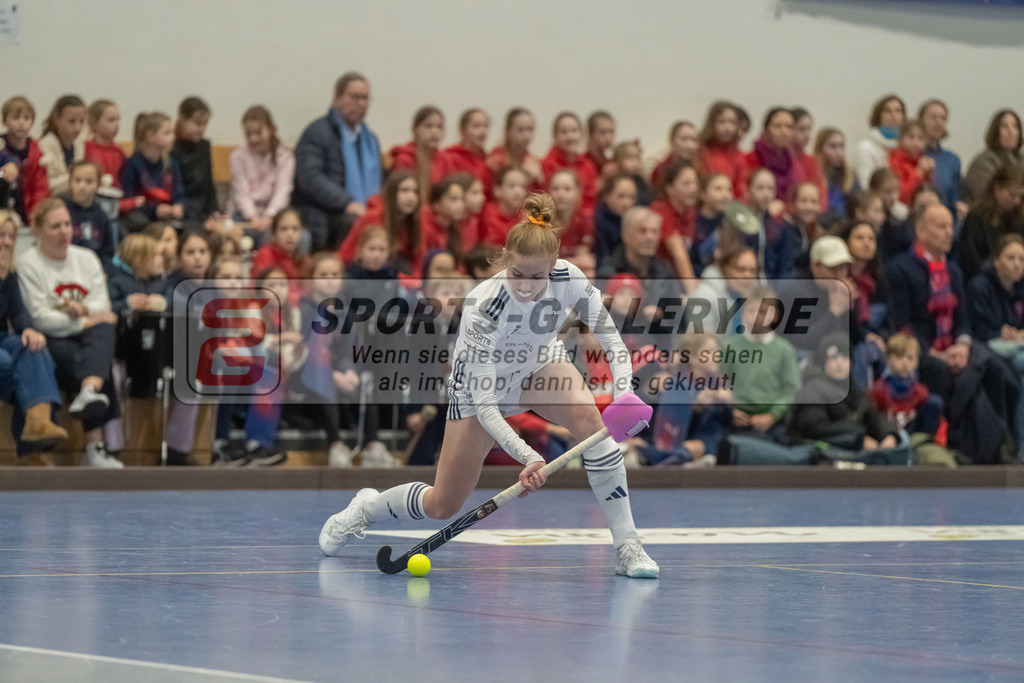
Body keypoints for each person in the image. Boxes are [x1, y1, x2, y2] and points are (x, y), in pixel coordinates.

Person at [318, 193, 660, 579]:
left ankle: (629, 545)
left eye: (538, 277)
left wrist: (624, 392)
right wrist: (528, 455)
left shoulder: (569, 277)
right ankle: (365, 508)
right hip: (481, 391)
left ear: (554, 266)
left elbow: (610, 338)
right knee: (442, 503)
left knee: (594, 428)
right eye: (519, 276)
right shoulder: (484, 307)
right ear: (504, 261)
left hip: (539, 364)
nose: (528, 287)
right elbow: (485, 404)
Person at [886, 204, 1018, 464]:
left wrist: (963, 345)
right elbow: (902, 324)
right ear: (921, 231)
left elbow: (964, 321)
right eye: (941, 227)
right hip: (920, 349)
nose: (949, 233)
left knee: (995, 368)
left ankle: (1000, 444)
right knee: (942, 372)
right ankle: (960, 445)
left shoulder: (954, 271)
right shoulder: (899, 269)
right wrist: (935, 352)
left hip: (954, 346)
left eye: (950, 226)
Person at [17, 198, 122, 468]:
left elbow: (103, 305)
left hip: (88, 334)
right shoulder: (28, 264)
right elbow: (39, 317)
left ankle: (89, 392)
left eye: (67, 224)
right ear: (37, 229)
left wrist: (84, 309)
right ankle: (94, 447)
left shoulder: (86, 258)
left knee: (104, 332)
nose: (64, 231)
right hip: (51, 339)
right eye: (55, 226)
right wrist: (84, 320)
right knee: (97, 365)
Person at [0, 210, 68, 465]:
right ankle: (31, 451)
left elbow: (18, 311)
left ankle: (38, 425)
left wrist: (28, 329)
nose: (6, 242)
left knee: (33, 348)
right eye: (1, 236)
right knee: (9, 363)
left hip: (3, 338)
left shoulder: (8, 272)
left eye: (10, 237)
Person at [293, 72, 381, 250]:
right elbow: (309, 177)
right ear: (336, 98)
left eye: (365, 98)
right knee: (355, 223)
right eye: (355, 97)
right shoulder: (317, 133)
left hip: (362, 211)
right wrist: (346, 202)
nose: (361, 103)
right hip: (325, 215)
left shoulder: (370, 140)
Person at [596, 206, 682, 322]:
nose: (649, 237)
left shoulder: (663, 271)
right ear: (625, 235)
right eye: (642, 231)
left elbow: (677, 321)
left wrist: (659, 318)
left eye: (654, 232)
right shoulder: (608, 272)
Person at [226, 105, 295, 237]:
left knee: (297, 235)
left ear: (271, 130)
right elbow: (241, 192)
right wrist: (253, 217)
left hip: (273, 215)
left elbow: (283, 191)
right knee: (239, 233)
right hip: (244, 215)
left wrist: (269, 216)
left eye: (258, 133)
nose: (253, 138)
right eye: (248, 134)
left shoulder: (285, 157)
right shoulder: (238, 156)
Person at [338, 170, 421, 272]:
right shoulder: (373, 218)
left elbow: (417, 257)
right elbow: (350, 254)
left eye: (415, 192)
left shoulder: (412, 222)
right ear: (391, 193)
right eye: (404, 190)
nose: (411, 197)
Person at [957, 163, 1024, 283]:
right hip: (985, 283)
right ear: (997, 188)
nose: (1017, 202)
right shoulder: (976, 219)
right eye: (1012, 195)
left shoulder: (1018, 219)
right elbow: (971, 262)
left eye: (1020, 197)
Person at [119, 112, 184, 232]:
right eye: (167, 133)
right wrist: (154, 210)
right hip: (143, 217)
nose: (173, 138)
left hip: (168, 217)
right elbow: (129, 198)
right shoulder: (133, 164)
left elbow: (178, 192)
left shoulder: (171, 164)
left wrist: (178, 206)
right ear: (150, 137)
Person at [869, 333, 942, 438]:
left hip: (913, 439)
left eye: (910, 358)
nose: (905, 363)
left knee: (935, 402)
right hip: (887, 439)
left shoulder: (921, 392)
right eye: (899, 357)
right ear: (888, 359)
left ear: (916, 362)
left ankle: (923, 442)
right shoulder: (878, 391)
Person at [1, 96, 49, 224]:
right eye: (16, 118)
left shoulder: (38, 152)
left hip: (27, 211)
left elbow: (40, 187)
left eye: (26, 118)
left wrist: (37, 213)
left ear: (32, 122)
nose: (21, 122)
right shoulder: (1, 147)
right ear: (4, 121)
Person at [172, 97, 219, 227]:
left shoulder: (204, 146)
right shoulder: (172, 148)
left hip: (203, 210)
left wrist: (214, 210)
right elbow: (176, 188)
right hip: (184, 210)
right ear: (182, 119)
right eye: (198, 124)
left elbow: (209, 183)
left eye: (205, 124)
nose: (202, 129)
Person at [63, 161, 115, 272]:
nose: (82, 186)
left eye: (89, 181)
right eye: (77, 180)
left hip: (94, 271)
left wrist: (104, 272)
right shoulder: (62, 212)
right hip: (66, 269)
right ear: (69, 182)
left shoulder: (102, 216)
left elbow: (107, 252)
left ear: (98, 185)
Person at [542, 112, 598, 212]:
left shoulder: (588, 166)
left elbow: (590, 202)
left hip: (581, 222)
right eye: (564, 132)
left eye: (574, 131)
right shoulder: (547, 165)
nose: (570, 136)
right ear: (555, 136)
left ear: (581, 134)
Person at [965, 109, 1024, 204]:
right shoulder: (982, 162)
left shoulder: (1021, 160)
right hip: (989, 215)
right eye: (1005, 127)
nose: (1011, 131)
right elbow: (988, 195)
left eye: (1015, 127)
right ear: (996, 131)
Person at [918, 99, 965, 218]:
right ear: (921, 121)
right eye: (933, 117)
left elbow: (955, 198)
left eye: (942, 118)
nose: (938, 122)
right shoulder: (911, 155)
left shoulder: (952, 159)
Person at [391, 106, 445, 203]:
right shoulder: (405, 159)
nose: (434, 132)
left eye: (439, 127)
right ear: (416, 129)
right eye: (428, 126)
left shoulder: (444, 159)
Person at [37, 95, 87, 197]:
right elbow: (47, 185)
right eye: (72, 121)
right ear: (56, 119)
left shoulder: (79, 145)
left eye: (81, 121)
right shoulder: (44, 145)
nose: (78, 127)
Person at [697, 101, 747, 199]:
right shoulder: (701, 151)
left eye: (732, 122)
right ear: (712, 124)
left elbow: (739, 189)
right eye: (721, 122)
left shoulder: (738, 156)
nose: (727, 127)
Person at [437, 109, 493, 196]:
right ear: (463, 129)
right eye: (476, 126)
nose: (482, 131)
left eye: (486, 126)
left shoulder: (490, 160)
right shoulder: (449, 157)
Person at [746, 107, 797, 201]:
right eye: (778, 126)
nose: (784, 132)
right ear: (766, 129)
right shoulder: (751, 159)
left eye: (789, 127)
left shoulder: (793, 162)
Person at [487, 108, 544, 193]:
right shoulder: (495, 160)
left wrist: (538, 180)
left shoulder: (534, 162)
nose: (526, 136)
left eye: (530, 129)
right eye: (520, 130)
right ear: (508, 131)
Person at [855, 94, 905, 188]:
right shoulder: (865, 148)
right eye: (888, 111)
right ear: (878, 116)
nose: (894, 115)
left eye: (898, 111)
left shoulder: (907, 147)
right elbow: (867, 185)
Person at [814, 127, 858, 226]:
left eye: (841, 146)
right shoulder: (812, 174)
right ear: (820, 148)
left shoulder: (850, 177)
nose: (838, 152)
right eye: (833, 147)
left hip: (844, 227)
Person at [888, 120, 934, 206]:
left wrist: (929, 174)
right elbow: (902, 196)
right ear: (901, 139)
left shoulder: (923, 160)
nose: (916, 143)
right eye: (911, 137)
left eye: (920, 138)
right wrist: (919, 172)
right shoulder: (894, 161)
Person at [480, 166, 529, 245]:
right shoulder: (485, 214)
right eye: (511, 186)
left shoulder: (526, 219)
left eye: (523, 186)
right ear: (497, 190)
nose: (518, 192)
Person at [650, 121, 698, 188]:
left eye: (694, 140)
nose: (690, 145)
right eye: (684, 139)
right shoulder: (661, 171)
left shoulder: (701, 167)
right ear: (672, 141)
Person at [585, 111, 615, 177]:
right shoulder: (583, 162)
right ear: (591, 134)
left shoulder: (611, 162)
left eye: (611, 132)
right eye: (602, 132)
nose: (608, 137)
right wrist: (605, 176)